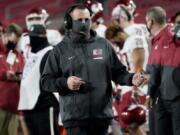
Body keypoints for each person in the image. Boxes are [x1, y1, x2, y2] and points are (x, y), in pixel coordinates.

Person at [40, 4, 148, 135]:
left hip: (102, 117)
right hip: (75, 120)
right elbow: (45, 82)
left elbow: (118, 73)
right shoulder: (60, 50)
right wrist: (65, 83)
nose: (84, 23)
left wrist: (131, 78)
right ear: (68, 22)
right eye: (79, 20)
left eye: (87, 19)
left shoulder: (103, 45)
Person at [18, 24, 59, 135]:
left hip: (44, 107)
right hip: (31, 108)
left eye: (33, 37)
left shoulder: (50, 53)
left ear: (42, 37)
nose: (31, 40)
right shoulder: (33, 55)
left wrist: (44, 98)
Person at [146, 6, 180, 135]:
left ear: (151, 21)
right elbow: (152, 69)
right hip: (165, 94)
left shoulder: (164, 37)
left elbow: (154, 70)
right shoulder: (163, 37)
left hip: (169, 94)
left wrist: (149, 93)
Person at [0, 23, 24, 135]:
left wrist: (19, 76)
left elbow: (24, 74)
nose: (14, 43)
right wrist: (5, 74)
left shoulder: (19, 56)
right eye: (12, 40)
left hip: (14, 106)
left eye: (16, 41)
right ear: (5, 36)